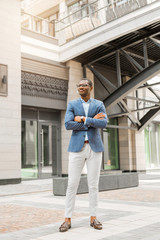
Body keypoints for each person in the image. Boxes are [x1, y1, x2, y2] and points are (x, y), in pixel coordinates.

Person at [59, 78, 108, 232]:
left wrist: (83, 119)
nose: (81, 87)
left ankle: (93, 217)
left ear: (90, 88)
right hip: (76, 149)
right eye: (79, 85)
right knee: (72, 185)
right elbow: (68, 124)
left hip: (95, 148)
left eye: (84, 85)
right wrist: (93, 120)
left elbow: (104, 123)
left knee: (93, 185)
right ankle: (67, 219)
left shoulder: (98, 104)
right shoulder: (72, 104)